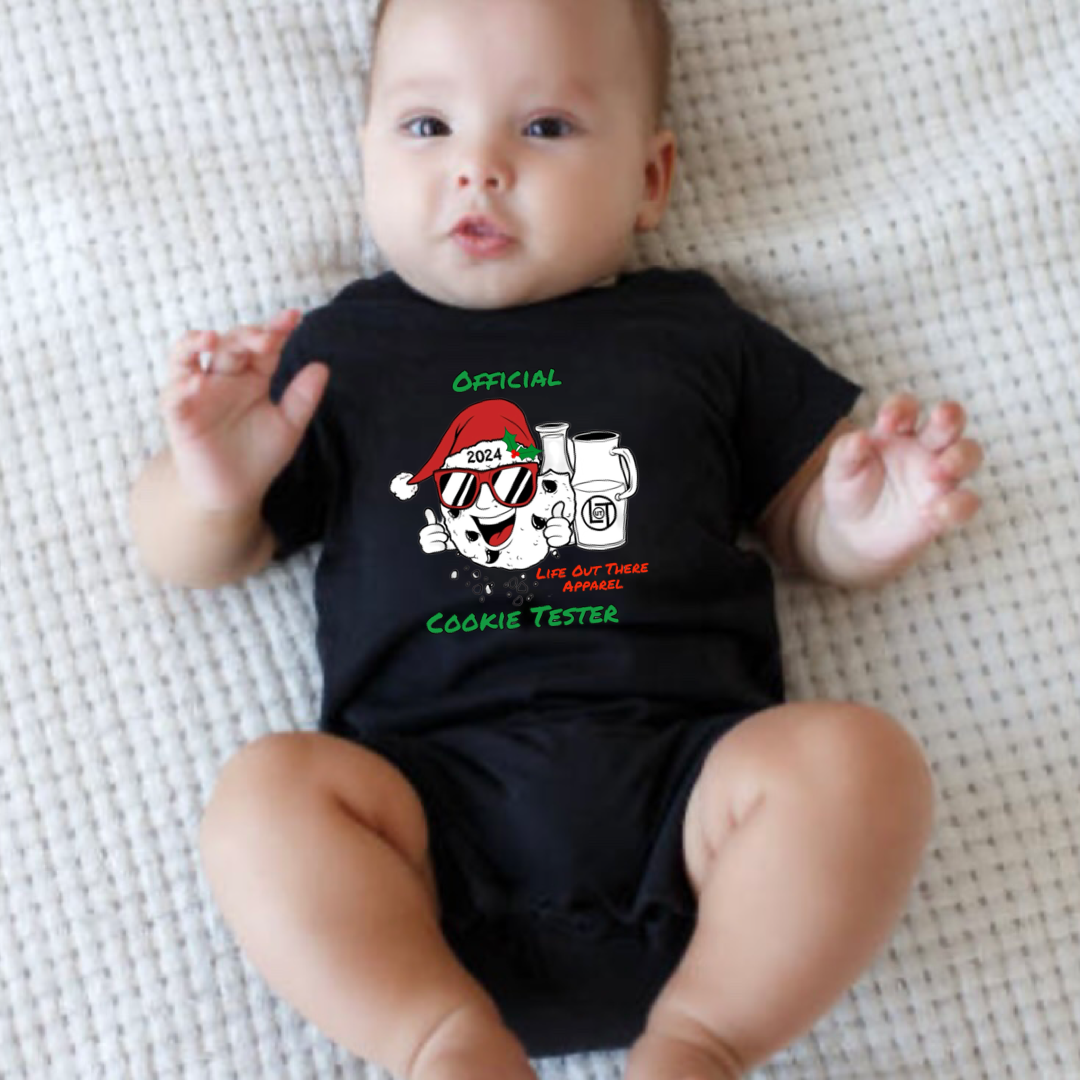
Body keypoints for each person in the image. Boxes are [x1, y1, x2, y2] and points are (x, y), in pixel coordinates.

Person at [129, 0, 983, 1077]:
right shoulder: (338, 355)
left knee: (862, 763)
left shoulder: (699, 334)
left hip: (696, 831)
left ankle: (703, 1045)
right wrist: (212, 485)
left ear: (650, 180)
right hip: (422, 851)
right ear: (366, 156)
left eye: (544, 128)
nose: (478, 168)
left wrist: (864, 521)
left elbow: (808, 527)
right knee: (263, 799)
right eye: (428, 127)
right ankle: (438, 1042)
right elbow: (190, 554)